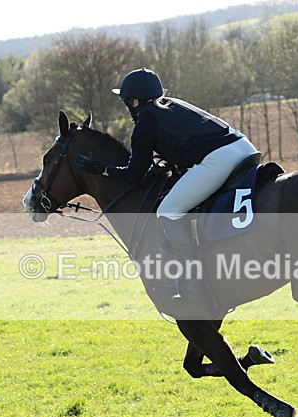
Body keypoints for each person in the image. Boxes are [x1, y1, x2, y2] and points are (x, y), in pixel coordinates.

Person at [74, 67, 258, 301]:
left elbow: (133, 176)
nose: (128, 108)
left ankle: (190, 282)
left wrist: (103, 169)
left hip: (220, 159)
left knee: (167, 212)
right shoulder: (173, 104)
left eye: (127, 102)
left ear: (134, 101)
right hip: (245, 147)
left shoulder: (145, 123)